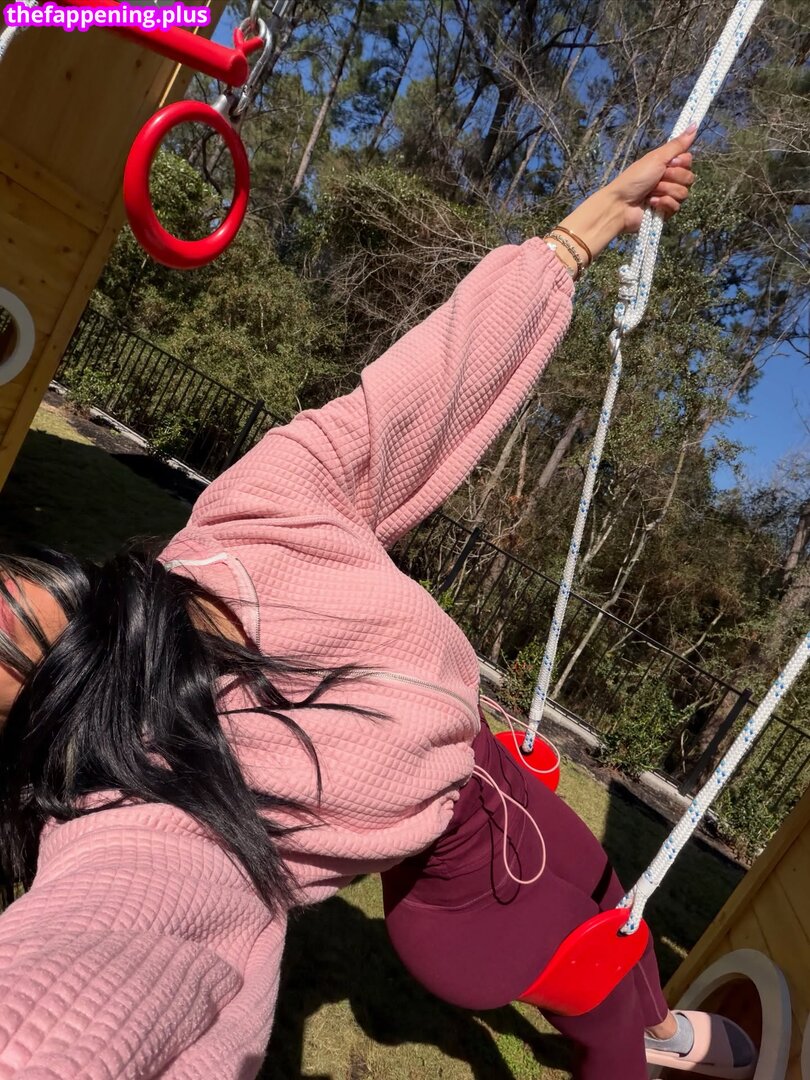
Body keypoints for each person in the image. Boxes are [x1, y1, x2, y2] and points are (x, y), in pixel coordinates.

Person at [0, 125, 756, 1080]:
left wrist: (602, 214)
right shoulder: (143, 787)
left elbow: (425, 385)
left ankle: (663, 1031)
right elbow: (106, 942)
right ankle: (642, 1045)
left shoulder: (248, 517)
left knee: (624, 912)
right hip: (466, 905)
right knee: (604, 1007)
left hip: (496, 779)